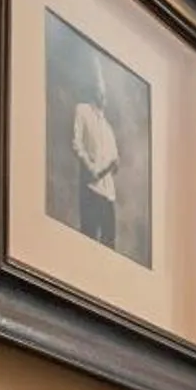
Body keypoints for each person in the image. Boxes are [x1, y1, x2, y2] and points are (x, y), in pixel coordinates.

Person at [71, 60, 121, 249]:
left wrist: (114, 165)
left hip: (108, 194)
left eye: (105, 91)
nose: (104, 95)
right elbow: (76, 144)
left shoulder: (108, 127)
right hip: (90, 187)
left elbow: (113, 158)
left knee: (109, 245)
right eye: (101, 90)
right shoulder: (82, 110)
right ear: (94, 89)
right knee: (88, 239)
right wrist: (91, 169)